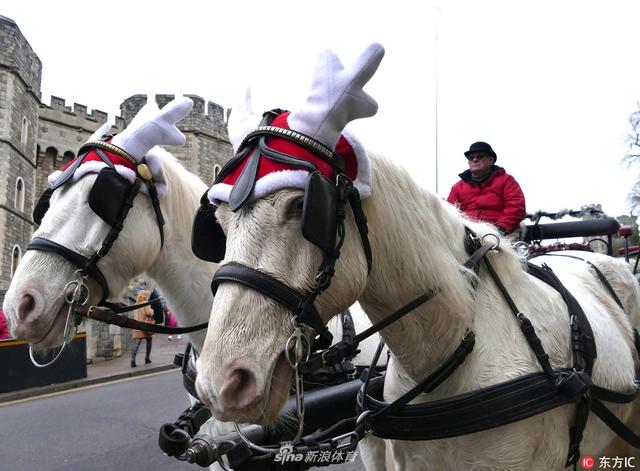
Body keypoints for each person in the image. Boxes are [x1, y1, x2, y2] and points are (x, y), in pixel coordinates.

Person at [447, 141, 526, 235]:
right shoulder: (457, 187)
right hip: (468, 234)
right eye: (471, 158)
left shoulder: (506, 180)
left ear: (491, 160)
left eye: (480, 156)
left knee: (498, 249)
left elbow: (516, 207)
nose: (475, 159)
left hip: (502, 232)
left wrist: (500, 229)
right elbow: (450, 213)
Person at [131, 289, 155, 367]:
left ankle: (132, 359)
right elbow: (148, 313)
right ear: (145, 296)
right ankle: (147, 358)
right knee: (149, 341)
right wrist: (152, 310)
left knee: (136, 343)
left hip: (136, 326)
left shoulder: (135, 304)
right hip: (145, 326)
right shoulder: (146, 303)